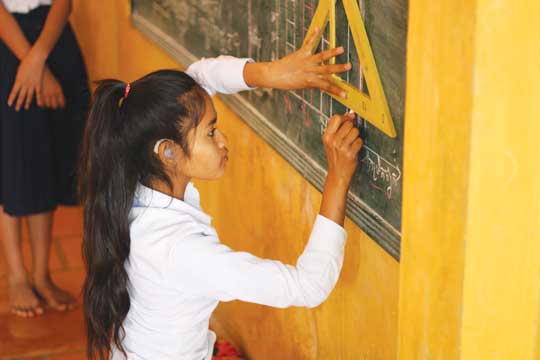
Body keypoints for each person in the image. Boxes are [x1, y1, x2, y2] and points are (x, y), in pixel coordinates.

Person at [79, 31, 361, 360]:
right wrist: (337, 179)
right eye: (211, 132)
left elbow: (199, 77)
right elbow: (308, 285)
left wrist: (272, 73)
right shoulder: (182, 251)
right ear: (168, 153)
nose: (223, 140)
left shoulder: (134, 184)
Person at [0, 0, 89, 317]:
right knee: (12, 159)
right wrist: (31, 62)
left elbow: (63, 4)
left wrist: (38, 59)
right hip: (7, 43)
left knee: (45, 158)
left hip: (54, 42)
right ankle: (17, 276)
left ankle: (41, 274)